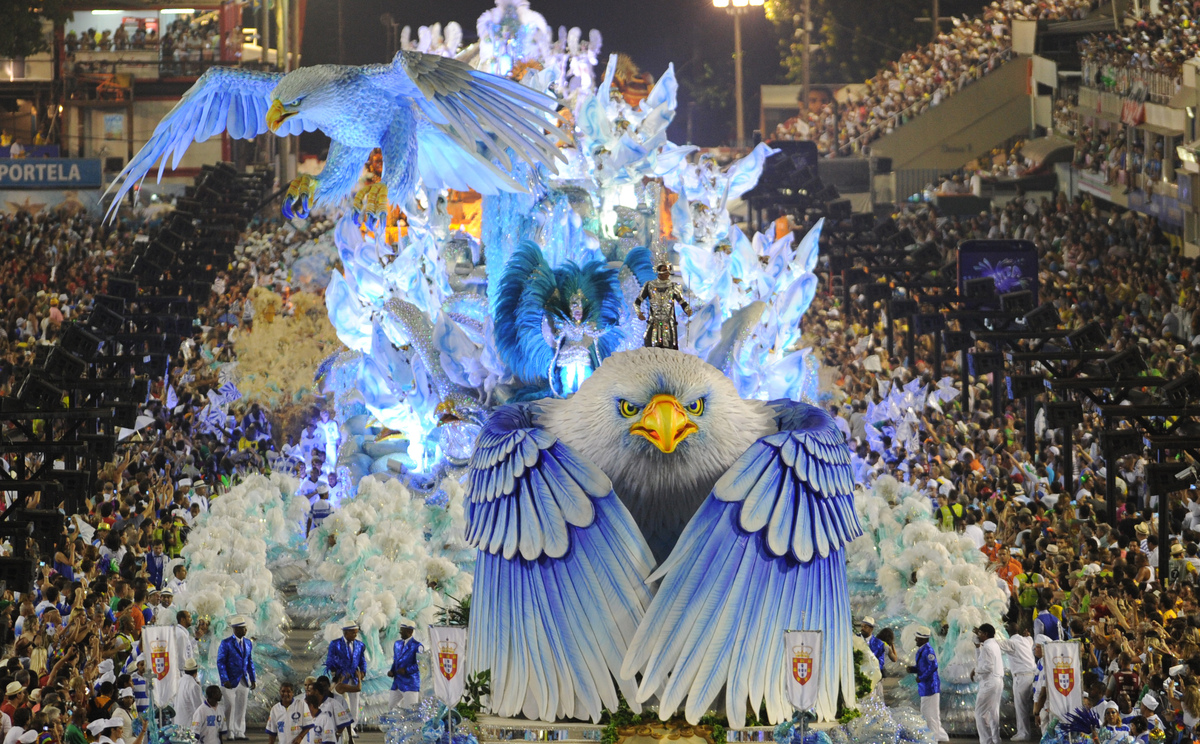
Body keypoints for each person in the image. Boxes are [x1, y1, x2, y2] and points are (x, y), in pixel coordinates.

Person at [634, 261, 691, 350]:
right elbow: (637, 302)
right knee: (651, 349)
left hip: (669, 324)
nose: (667, 273)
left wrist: (687, 309)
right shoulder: (649, 286)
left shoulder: (673, 287)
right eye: (665, 270)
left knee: (670, 350)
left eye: (668, 270)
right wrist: (639, 313)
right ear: (659, 271)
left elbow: (682, 301)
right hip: (653, 323)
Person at [216, 616, 255, 740]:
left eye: (245, 628)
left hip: (243, 679)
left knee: (241, 705)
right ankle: (230, 731)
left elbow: (249, 661)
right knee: (230, 706)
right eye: (242, 628)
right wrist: (224, 679)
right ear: (235, 629)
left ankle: (239, 731)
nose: (245, 630)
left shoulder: (248, 643)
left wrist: (253, 678)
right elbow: (220, 662)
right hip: (230, 681)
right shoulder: (226, 643)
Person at [998, 623, 1037, 741]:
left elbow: (995, 644)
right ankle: (1024, 732)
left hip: (1021, 677)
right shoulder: (1026, 641)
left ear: (1007, 632)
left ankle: (1024, 733)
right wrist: (1028, 635)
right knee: (1031, 704)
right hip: (1033, 675)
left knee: (1021, 707)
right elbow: (1029, 638)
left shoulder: (1011, 643)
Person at [908, 626, 947, 742]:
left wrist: (921, 677)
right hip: (926, 687)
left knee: (930, 715)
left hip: (930, 687)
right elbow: (924, 666)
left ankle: (933, 738)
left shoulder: (928, 651)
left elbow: (933, 666)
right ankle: (936, 736)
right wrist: (914, 669)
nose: (916, 640)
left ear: (924, 639)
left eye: (918, 639)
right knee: (928, 713)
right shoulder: (922, 650)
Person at [324, 623, 365, 734]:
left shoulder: (360, 645)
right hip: (341, 679)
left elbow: (362, 660)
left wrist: (363, 672)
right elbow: (330, 660)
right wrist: (337, 673)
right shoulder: (335, 644)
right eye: (353, 633)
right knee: (341, 703)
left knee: (354, 703)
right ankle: (340, 725)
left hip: (354, 678)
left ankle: (351, 727)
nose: (355, 635)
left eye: (356, 633)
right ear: (345, 633)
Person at [972, 624, 1003, 744]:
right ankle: (996, 739)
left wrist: (975, 671)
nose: (978, 635)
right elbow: (982, 661)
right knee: (993, 712)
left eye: (980, 633)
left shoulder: (988, 647)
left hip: (990, 682)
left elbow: (988, 667)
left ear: (985, 634)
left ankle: (987, 741)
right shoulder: (992, 644)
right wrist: (977, 647)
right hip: (996, 681)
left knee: (980, 713)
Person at [388, 624, 422, 709]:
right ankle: (395, 722)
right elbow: (395, 660)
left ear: (409, 632)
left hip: (410, 683)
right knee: (391, 707)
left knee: (410, 710)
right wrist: (392, 670)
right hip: (397, 683)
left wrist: (406, 670)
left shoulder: (418, 646)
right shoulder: (397, 644)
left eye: (402, 631)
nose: (400, 632)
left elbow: (421, 664)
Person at [174, 658, 203, 726]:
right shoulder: (194, 686)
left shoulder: (179, 682)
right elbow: (199, 708)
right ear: (196, 672)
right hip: (189, 725)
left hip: (178, 722)